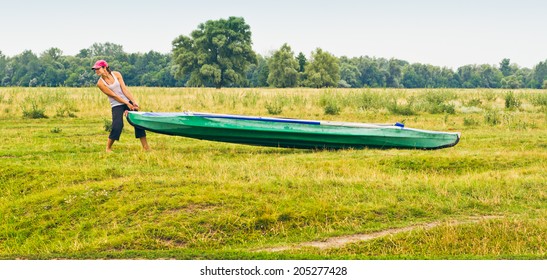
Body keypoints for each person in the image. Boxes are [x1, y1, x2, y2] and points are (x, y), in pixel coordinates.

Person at [92, 59, 150, 152]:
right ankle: (108, 148)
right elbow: (114, 96)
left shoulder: (117, 75)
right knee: (117, 125)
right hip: (116, 104)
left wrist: (133, 102)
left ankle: (145, 147)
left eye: (98, 69)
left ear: (105, 67)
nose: (96, 71)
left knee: (138, 122)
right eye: (95, 69)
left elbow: (124, 90)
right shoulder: (100, 83)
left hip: (127, 100)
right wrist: (127, 104)